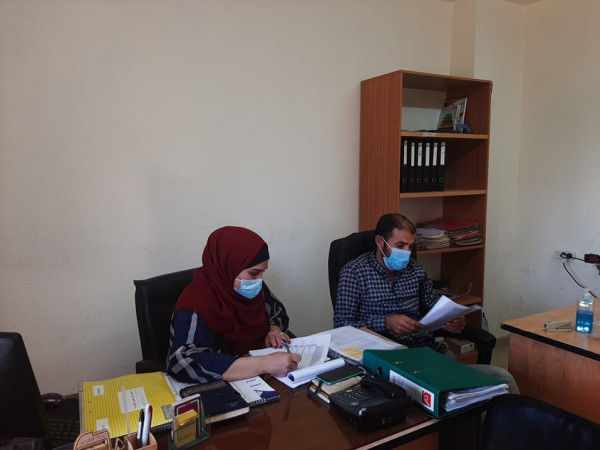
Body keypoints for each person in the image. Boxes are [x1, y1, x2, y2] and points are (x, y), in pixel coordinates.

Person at [333, 213, 519, 393]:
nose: (407, 252)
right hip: (386, 360)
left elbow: (433, 304)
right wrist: (386, 322)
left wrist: (451, 318)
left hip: (426, 352)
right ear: (380, 242)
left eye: (410, 246)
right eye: (400, 245)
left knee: (503, 379)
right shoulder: (354, 272)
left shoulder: (416, 270)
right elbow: (341, 326)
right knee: (453, 394)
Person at [167, 226, 301, 383]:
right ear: (229, 267)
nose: (259, 280)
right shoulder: (195, 303)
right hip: (225, 386)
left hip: (266, 378)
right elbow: (182, 362)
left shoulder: (251, 288)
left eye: (262, 272)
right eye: (254, 273)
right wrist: (263, 364)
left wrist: (274, 330)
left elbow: (277, 312)